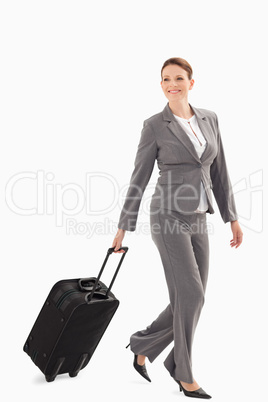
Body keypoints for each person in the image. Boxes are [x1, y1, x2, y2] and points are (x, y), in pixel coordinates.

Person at [111, 57, 243, 399]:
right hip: (166, 215)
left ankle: (142, 344)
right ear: (161, 85)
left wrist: (232, 217)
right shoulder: (155, 125)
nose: (173, 84)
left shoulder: (210, 119)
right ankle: (182, 371)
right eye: (166, 79)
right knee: (193, 294)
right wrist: (124, 227)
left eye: (179, 78)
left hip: (199, 216)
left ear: (191, 82)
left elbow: (219, 173)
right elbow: (138, 178)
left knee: (191, 298)